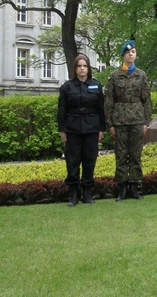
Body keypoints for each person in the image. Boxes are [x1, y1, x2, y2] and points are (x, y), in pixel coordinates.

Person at [104, 40, 152, 201]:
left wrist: (146, 122)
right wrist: (110, 124)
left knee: (136, 154)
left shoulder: (142, 75)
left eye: (133, 52)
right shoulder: (114, 76)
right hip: (120, 121)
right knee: (121, 155)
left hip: (137, 120)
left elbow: (147, 100)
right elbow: (109, 101)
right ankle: (122, 188)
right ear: (123, 55)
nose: (131, 54)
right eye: (128, 52)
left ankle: (135, 187)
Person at [57, 54, 106, 206]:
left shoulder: (96, 86)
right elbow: (61, 110)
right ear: (75, 69)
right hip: (73, 128)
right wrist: (62, 130)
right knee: (72, 161)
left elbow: (101, 109)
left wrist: (101, 129)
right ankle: (73, 194)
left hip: (91, 128)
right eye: (79, 66)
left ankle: (87, 192)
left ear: (88, 68)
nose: (82, 69)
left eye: (85, 66)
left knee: (89, 160)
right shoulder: (67, 87)